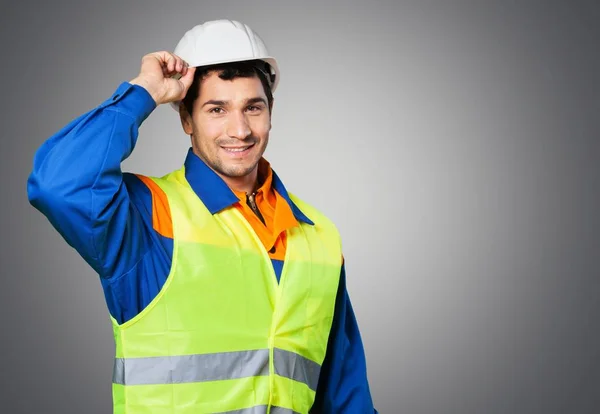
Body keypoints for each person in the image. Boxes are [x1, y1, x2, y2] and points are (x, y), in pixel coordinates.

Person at [27, 19, 377, 414]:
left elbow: (346, 396)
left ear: (271, 112)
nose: (240, 129)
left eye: (253, 108)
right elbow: (57, 182)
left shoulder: (319, 236)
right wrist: (143, 92)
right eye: (217, 109)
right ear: (186, 119)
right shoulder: (148, 215)